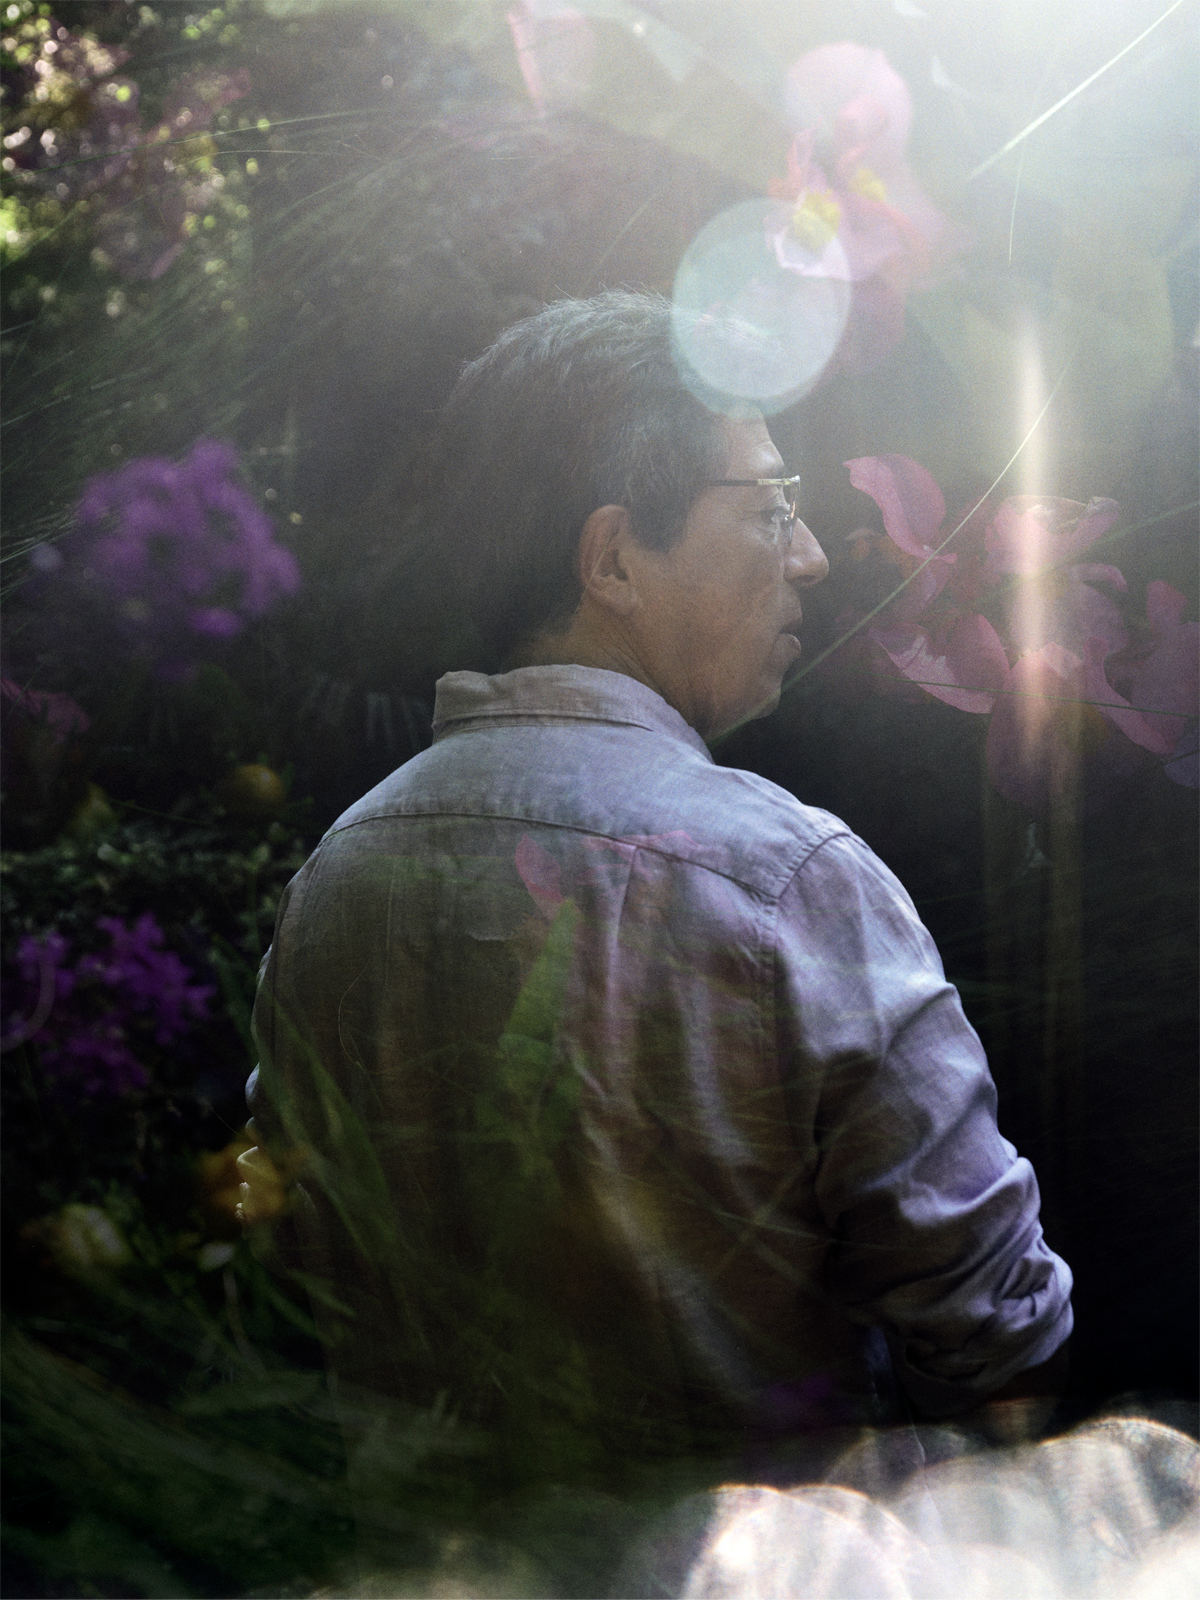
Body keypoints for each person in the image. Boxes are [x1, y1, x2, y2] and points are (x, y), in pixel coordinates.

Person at [244, 291, 1071, 1488]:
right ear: (616, 557)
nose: (813, 555)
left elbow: (299, 1260)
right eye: (773, 508)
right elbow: (1001, 1345)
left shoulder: (337, 882)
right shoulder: (788, 881)